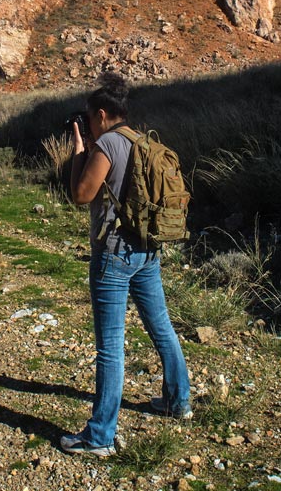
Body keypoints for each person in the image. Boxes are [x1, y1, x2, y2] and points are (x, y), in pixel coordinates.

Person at [59, 73, 192, 458]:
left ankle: (100, 435)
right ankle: (177, 401)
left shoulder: (107, 146)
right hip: (146, 250)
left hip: (113, 254)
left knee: (111, 347)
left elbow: (80, 195)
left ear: (101, 113)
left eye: (89, 117)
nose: (87, 123)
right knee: (162, 326)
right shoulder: (139, 140)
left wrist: (80, 148)